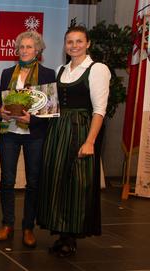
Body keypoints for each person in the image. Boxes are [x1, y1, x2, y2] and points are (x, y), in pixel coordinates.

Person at [37, 26, 110, 257]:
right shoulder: (61, 69)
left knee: (77, 183)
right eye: (70, 42)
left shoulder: (97, 69)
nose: (74, 46)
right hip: (59, 129)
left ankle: (72, 236)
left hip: (81, 129)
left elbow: (99, 111)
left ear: (88, 44)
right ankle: (61, 233)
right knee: (57, 179)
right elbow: (52, 105)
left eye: (79, 41)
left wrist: (90, 142)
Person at [0, 31, 55, 247]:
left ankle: (28, 227)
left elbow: (50, 110)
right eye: (21, 47)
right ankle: (7, 224)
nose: (25, 50)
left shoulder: (48, 74)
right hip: (9, 133)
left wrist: (34, 119)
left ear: (38, 50)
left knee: (33, 182)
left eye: (30, 47)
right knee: (7, 181)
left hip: (34, 135)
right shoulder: (6, 73)